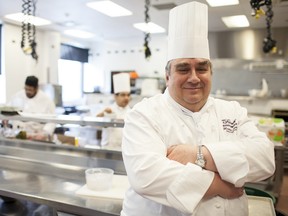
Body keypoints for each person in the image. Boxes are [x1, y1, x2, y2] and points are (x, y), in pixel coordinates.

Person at [120, 2, 275, 216]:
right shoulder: (144, 114)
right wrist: (219, 185)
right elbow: (147, 175)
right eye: (183, 68)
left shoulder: (231, 111)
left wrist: (199, 154)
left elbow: (265, 159)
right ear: (168, 76)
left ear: (211, 73)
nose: (194, 77)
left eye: (201, 68)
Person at [7, 75, 56, 140]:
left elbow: (52, 121)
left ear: (36, 88)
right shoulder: (17, 96)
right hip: (20, 134)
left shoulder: (46, 100)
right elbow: (8, 109)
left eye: (30, 90)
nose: (27, 92)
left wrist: (44, 133)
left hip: (37, 135)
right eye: (26, 89)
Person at [96, 73, 131, 150]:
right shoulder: (108, 109)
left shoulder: (132, 113)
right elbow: (95, 124)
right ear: (115, 96)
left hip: (124, 151)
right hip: (107, 148)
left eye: (128, 95)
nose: (126, 98)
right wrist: (102, 113)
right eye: (123, 95)